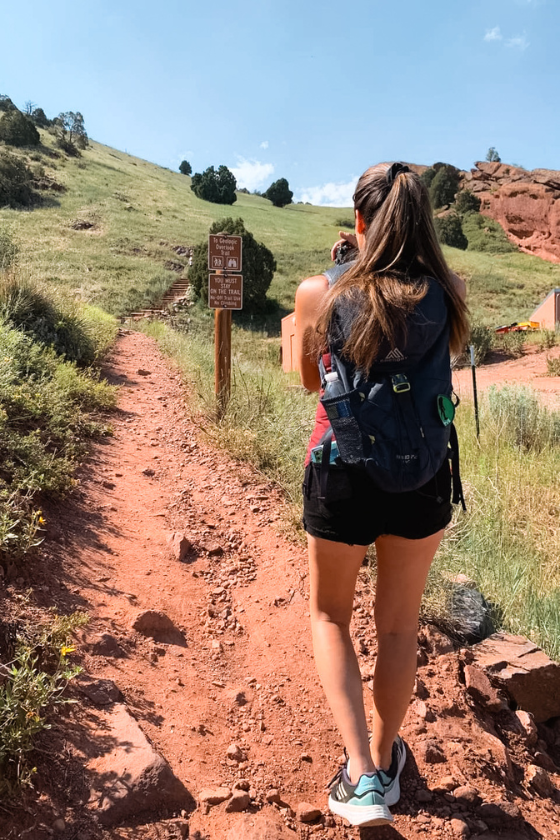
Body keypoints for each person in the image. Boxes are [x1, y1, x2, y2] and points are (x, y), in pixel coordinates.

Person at [294, 163, 468, 828]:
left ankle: (360, 773)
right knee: (397, 626)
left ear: (360, 223)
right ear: (421, 222)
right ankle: (390, 755)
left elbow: (311, 378)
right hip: (422, 474)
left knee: (332, 618)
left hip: (341, 467)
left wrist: (340, 271)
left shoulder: (321, 291)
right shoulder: (449, 291)